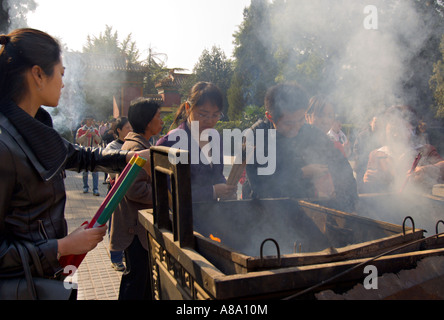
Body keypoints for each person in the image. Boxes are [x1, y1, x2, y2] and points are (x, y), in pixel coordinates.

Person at [0, 28, 151, 298]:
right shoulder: (4, 145)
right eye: (61, 73)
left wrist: (129, 157)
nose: (63, 83)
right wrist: (63, 245)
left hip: (48, 275)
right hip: (25, 285)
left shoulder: (35, 129)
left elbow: (82, 157)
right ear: (37, 74)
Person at [244, 83, 358, 213]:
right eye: (288, 123)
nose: (296, 127)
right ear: (270, 116)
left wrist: (350, 206)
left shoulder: (311, 134)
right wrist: (300, 173)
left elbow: (340, 166)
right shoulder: (256, 136)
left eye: (301, 120)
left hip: (304, 207)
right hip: (263, 212)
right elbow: (262, 186)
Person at [109, 98, 163, 300]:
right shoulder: (135, 148)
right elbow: (134, 190)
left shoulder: (140, 143)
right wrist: (165, 195)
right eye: (158, 116)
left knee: (144, 284)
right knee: (135, 286)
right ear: (148, 121)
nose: (162, 121)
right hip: (134, 233)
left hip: (139, 232)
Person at [156, 81, 236, 202]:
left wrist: (227, 189)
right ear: (188, 108)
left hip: (214, 215)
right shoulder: (170, 143)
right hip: (185, 218)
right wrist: (213, 191)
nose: (209, 121)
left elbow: (217, 174)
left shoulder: (215, 138)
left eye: (215, 115)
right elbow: (173, 192)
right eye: (203, 114)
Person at [363, 105, 444, 193]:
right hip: (385, 204)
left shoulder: (424, 151)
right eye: (392, 130)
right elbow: (368, 192)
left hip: (421, 205)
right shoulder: (376, 154)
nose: (395, 135)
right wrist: (367, 180)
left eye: (400, 130)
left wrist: (428, 170)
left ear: (412, 130)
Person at [104, 117, 132, 272]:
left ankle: (122, 254)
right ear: (119, 130)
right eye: (127, 127)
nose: (130, 130)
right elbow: (109, 168)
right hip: (116, 188)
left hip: (129, 189)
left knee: (126, 224)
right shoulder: (113, 146)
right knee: (115, 224)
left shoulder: (132, 145)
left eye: (131, 127)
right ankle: (115, 257)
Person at [352, 113, 384, 192]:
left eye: (379, 123)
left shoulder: (382, 136)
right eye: (375, 122)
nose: (377, 125)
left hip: (376, 172)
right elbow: (356, 151)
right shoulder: (362, 136)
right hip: (362, 169)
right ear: (371, 123)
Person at [76, 116, 102, 195]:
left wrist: (95, 135)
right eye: (89, 120)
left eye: (92, 120)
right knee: (85, 171)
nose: (91, 122)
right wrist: (85, 134)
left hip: (94, 153)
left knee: (95, 171)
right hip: (84, 152)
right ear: (86, 121)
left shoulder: (95, 130)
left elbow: (99, 141)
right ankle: (85, 187)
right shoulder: (81, 130)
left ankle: (95, 189)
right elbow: (78, 141)